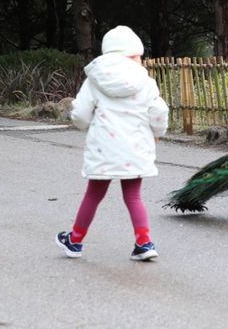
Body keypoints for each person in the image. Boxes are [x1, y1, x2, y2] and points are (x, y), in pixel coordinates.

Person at [57, 26, 169, 261]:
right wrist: (158, 132)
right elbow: (158, 112)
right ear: (133, 55)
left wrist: (85, 125)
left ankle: (75, 241)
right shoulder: (146, 82)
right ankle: (144, 242)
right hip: (136, 148)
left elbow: (81, 114)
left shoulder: (95, 80)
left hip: (103, 148)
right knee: (134, 197)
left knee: (93, 195)